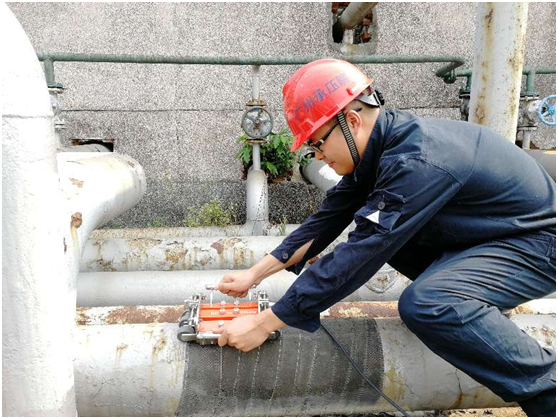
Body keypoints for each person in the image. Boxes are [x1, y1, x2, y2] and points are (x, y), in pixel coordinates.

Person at [213, 59, 556, 416]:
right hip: (489, 239)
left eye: (317, 144)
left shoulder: (415, 161)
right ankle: (475, 308)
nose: (318, 157)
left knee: (426, 303)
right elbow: (326, 220)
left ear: (352, 121)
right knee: (391, 241)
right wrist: (255, 275)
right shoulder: (381, 149)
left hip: (537, 245)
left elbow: (360, 253)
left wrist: (265, 323)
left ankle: (548, 391)